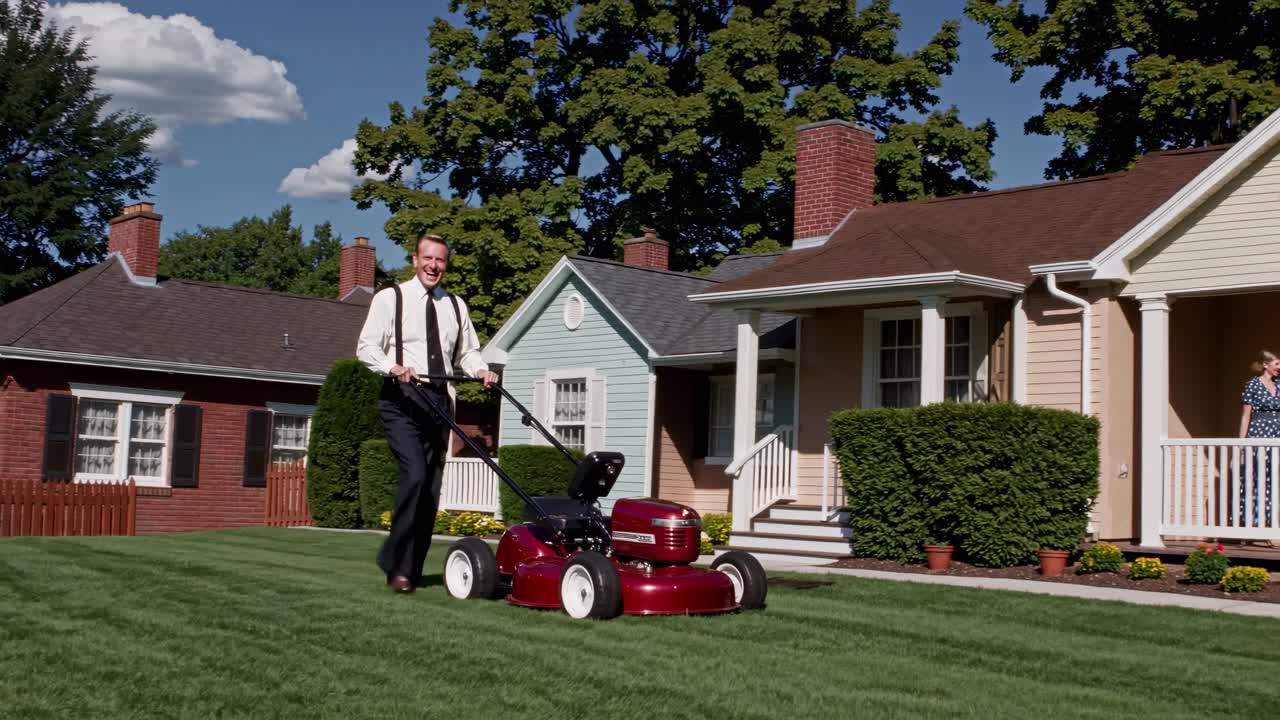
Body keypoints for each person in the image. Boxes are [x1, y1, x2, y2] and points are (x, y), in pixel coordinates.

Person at [357, 233, 498, 593]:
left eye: (440, 261)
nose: (434, 266)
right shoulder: (391, 298)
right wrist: (393, 366)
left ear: (445, 265)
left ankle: (408, 568)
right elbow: (366, 347)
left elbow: (467, 352)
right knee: (415, 476)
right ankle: (396, 562)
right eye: (428, 259)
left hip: (438, 402)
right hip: (401, 399)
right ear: (415, 260)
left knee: (432, 491)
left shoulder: (456, 305)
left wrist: (481, 370)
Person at [1236, 349, 1280, 532]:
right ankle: (1252, 521)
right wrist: (1241, 443)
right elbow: (1246, 416)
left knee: (1274, 477)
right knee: (1256, 476)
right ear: (1265, 365)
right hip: (1259, 432)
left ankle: (1272, 522)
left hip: (1277, 432)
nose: (1279, 367)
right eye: (1277, 364)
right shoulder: (1252, 385)